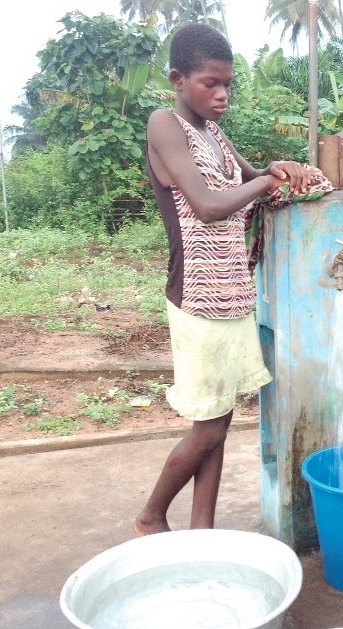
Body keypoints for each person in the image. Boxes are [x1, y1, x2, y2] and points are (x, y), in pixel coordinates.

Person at [133, 23, 318, 536]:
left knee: (218, 424)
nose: (222, 95)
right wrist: (265, 180)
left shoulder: (214, 132)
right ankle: (151, 516)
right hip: (198, 298)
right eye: (209, 83)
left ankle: (202, 532)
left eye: (228, 85)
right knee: (207, 427)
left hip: (235, 294)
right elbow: (210, 205)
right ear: (177, 78)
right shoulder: (165, 125)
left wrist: (275, 169)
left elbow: (250, 177)